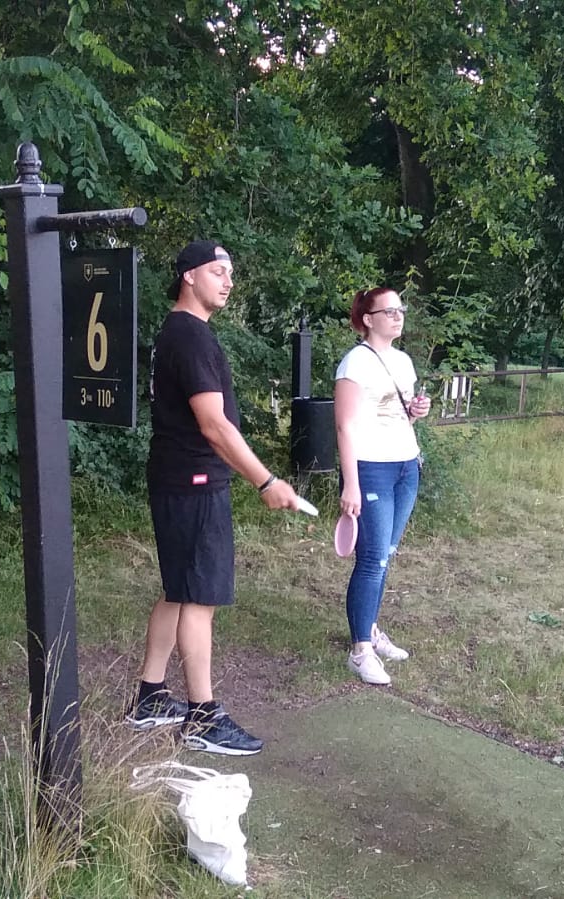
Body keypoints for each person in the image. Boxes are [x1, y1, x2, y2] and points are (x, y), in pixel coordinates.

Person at [124, 240, 301, 756]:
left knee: (178, 589)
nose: (228, 281)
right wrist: (266, 482)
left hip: (178, 477)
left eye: (230, 273)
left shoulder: (176, 332)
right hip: (195, 480)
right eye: (218, 271)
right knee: (199, 597)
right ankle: (202, 717)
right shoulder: (191, 336)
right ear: (188, 276)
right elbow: (214, 425)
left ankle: (150, 697)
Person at [334, 287, 430, 685]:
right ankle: (360, 651)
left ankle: (370, 628)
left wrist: (417, 411)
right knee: (371, 558)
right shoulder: (354, 364)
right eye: (388, 311)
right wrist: (351, 485)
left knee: (385, 555)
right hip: (371, 468)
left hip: (406, 465)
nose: (397, 316)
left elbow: (401, 416)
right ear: (367, 319)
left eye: (400, 310)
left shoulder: (403, 362)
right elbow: (345, 426)